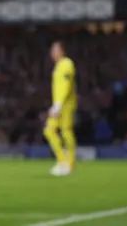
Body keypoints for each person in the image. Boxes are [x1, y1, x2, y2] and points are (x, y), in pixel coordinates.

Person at [43, 41, 77, 176]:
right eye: (52, 50)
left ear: (62, 51)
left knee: (65, 131)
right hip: (59, 104)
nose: (53, 52)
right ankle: (64, 162)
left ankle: (68, 164)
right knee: (50, 131)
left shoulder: (66, 65)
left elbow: (65, 86)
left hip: (65, 104)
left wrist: (57, 106)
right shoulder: (59, 66)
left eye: (55, 49)